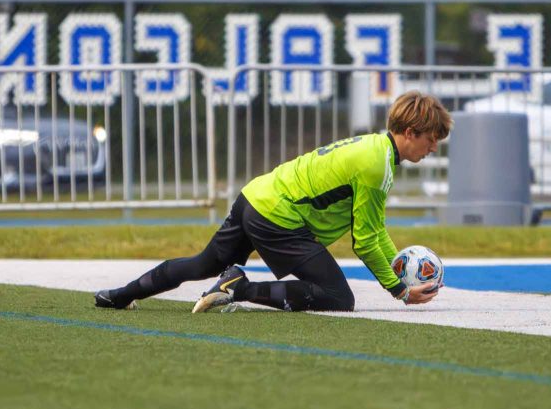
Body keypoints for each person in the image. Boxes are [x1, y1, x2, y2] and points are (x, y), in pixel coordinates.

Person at [94, 90, 452, 313]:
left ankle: (119, 295)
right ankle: (240, 287)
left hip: (256, 196)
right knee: (337, 297)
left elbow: (375, 231)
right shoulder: (378, 166)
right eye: (432, 139)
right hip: (279, 217)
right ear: (410, 133)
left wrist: (395, 264)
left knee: (203, 263)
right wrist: (400, 291)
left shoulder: (374, 149)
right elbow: (365, 240)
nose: (434, 148)